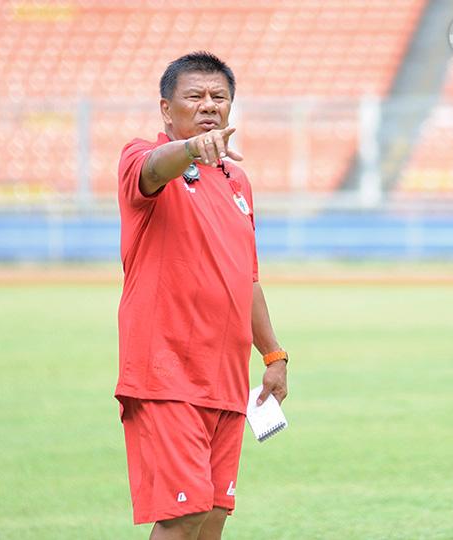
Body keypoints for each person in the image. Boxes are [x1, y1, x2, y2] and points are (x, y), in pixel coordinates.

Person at [115, 51, 289, 540]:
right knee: (182, 515)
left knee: (212, 516)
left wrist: (273, 353)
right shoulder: (141, 159)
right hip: (166, 374)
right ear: (166, 108)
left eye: (219, 97)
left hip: (225, 378)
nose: (209, 105)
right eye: (194, 96)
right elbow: (155, 167)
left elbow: (246, 278)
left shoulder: (238, 181)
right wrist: (192, 149)